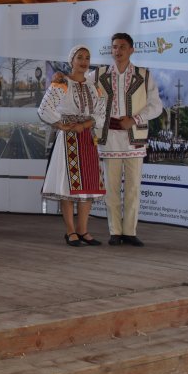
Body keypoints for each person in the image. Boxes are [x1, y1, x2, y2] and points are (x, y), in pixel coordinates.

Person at [90, 33, 163, 246]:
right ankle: (115, 231)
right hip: (109, 138)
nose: (117, 51)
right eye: (114, 47)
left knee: (133, 188)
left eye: (122, 46)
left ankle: (130, 231)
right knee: (111, 188)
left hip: (134, 138)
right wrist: (62, 78)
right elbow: (79, 86)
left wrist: (134, 119)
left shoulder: (144, 75)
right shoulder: (98, 75)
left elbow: (156, 106)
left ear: (132, 50)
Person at [38, 46, 107, 247]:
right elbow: (44, 109)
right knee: (67, 185)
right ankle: (70, 231)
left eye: (87, 58)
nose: (84, 61)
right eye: (80, 57)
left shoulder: (94, 86)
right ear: (72, 61)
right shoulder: (62, 83)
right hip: (68, 139)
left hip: (87, 138)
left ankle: (83, 230)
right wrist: (61, 124)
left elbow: (101, 114)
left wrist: (85, 125)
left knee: (88, 185)